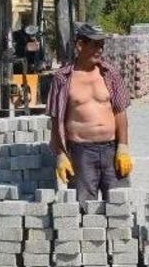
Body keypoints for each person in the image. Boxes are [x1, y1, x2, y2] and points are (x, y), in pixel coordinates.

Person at [47, 23, 133, 204]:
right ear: (80, 45)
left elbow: (120, 112)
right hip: (81, 152)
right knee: (85, 208)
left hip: (111, 150)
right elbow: (56, 120)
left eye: (101, 45)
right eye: (95, 45)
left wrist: (123, 147)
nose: (100, 50)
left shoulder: (110, 74)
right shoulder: (62, 79)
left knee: (119, 206)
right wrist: (60, 155)